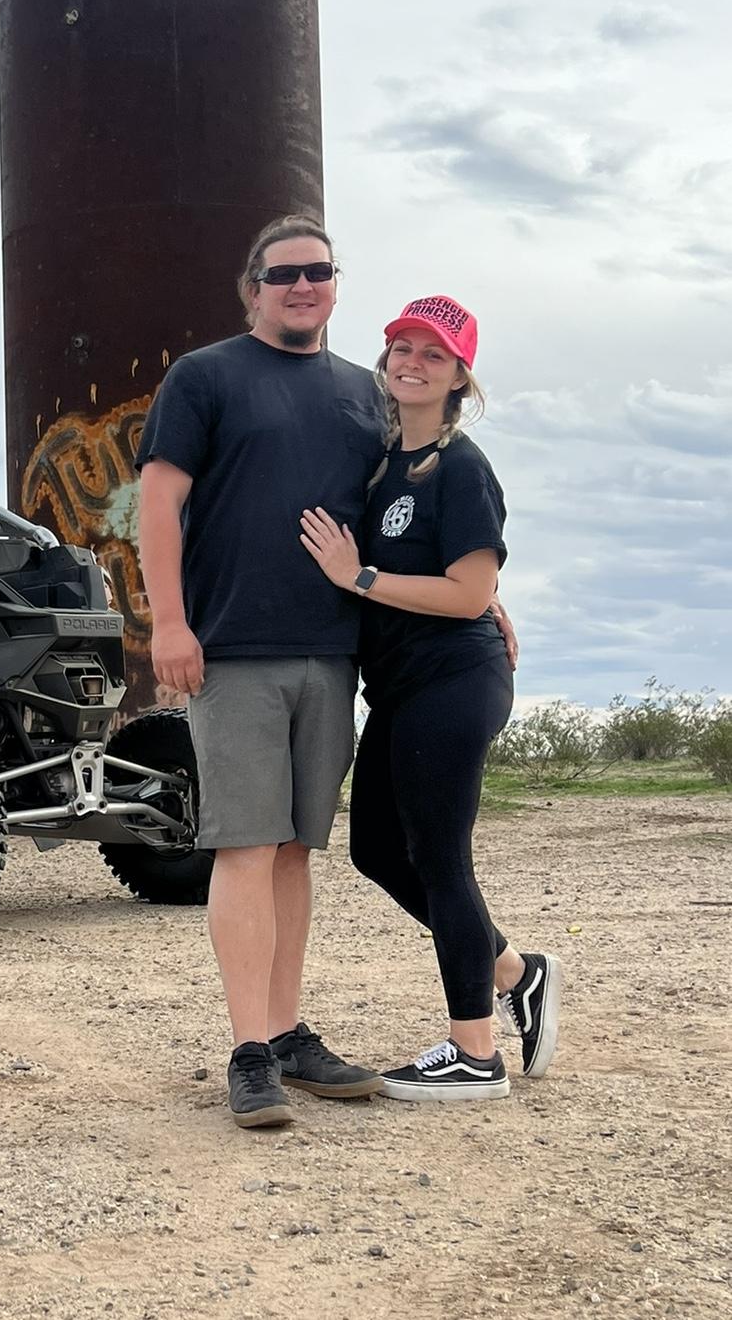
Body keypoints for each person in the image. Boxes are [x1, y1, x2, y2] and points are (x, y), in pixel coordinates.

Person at [135, 214, 392, 1130]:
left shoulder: (365, 394)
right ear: (253, 288)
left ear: (335, 284)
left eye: (318, 271)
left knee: (292, 850)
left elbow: (406, 513)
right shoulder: (204, 377)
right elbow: (158, 500)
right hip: (234, 650)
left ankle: (286, 1035)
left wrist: (484, 595)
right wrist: (170, 622)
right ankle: (249, 1054)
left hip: (333, 651)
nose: (302, 285)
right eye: (283, 274)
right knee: (245, 844)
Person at [298, 296, 560, 1100]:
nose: (412, 363)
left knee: (441, 859)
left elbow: (469, 592)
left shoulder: (462, 467)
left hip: (454, 682)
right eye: (402, 348)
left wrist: (358, 576)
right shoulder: (385, 465)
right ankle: (514, 971)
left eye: (433, 354)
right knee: (377, 851)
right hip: (402, 689)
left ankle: (474, 1053)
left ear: (458, 378)